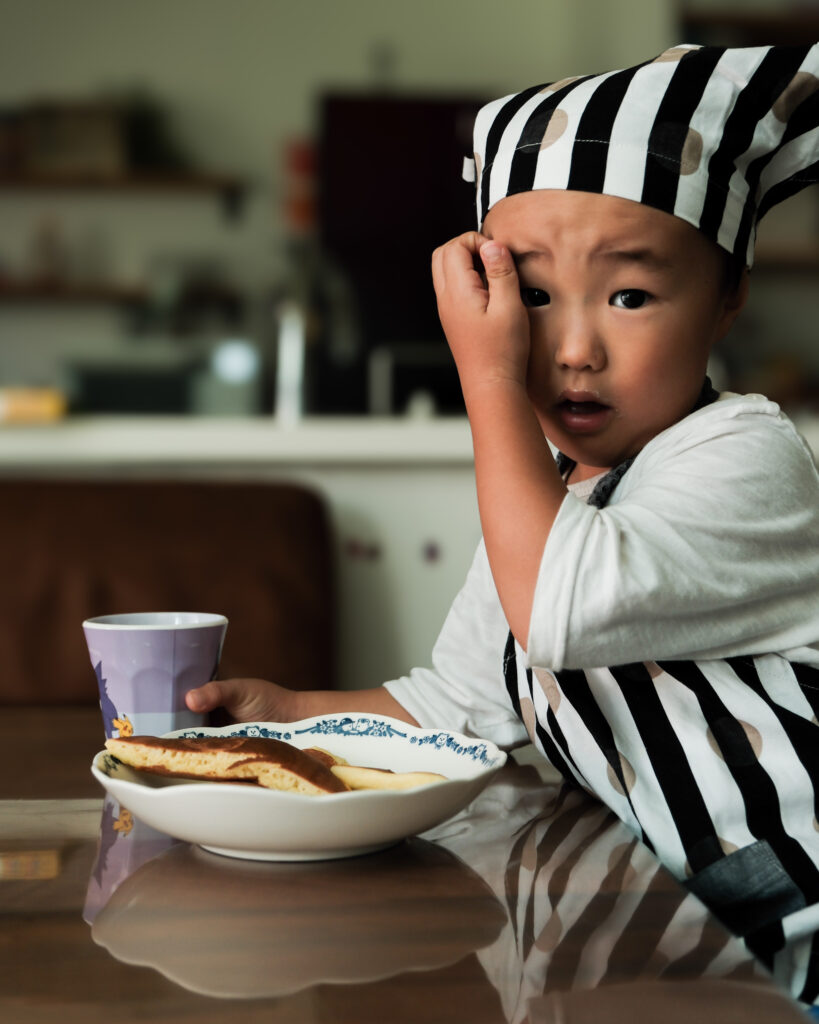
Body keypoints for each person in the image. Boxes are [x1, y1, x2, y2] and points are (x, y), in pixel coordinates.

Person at [187, 43, 819, 1002]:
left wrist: (484, 377)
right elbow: (457, 703)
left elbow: (561, 610)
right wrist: (290, 715)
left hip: (791, 945)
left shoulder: (746, 455)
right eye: (529, 297)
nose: (572, 349)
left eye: (629, 296)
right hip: (661, 943)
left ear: (726, 297)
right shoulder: (555, 500)